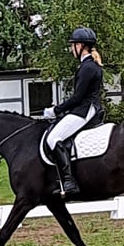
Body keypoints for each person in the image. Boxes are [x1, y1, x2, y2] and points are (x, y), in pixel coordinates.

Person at [43, 26, 104, 197]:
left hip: (84, 110)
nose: (71, 49)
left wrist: (55, 110)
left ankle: (69, 182)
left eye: (73, 45)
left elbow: (77, 98)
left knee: (53, 138)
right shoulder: (89, 65)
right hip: (86, 107)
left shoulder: (87, 67)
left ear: (81, 46)